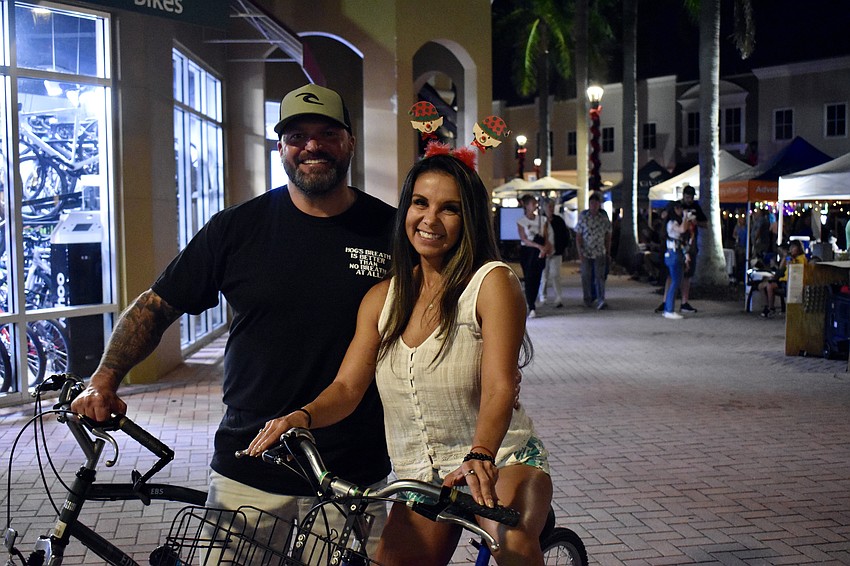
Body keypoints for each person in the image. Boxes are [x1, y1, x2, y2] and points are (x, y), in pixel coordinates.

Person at [70, 84, 395, 552]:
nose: (313, 146)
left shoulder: (388, 230)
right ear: (280, 147)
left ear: (350, 142)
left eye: (327, 132)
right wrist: (104, 379)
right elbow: (156, 305)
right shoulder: (237, 228)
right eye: (297, 135)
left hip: (349, 473)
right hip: (248, 467)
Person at [248, 150, 553, 566]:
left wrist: (480, 452)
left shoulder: (492, 283)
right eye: (420, 203)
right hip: (423, 480)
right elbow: (347, 387)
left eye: (450, 209)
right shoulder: (382, 299)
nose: (430, 219)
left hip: (498, 459)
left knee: (512, 543)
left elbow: (500, 384)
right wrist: (300, 417)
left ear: (471, 220)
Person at [574, 191, 612, 310]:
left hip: (600, 251)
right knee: (586, 276)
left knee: (599, 277)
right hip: (586, 252)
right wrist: (580, 252)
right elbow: (578, 236)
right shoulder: (584, 218)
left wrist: (608, 251)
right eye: (592, 204)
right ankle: (588, 299)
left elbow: (608, 236)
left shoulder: (604, 219)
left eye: (596, 204)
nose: (594, 206)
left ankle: (601, 299)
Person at [516, 194, 550, 318]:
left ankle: (532, 301)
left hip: (539, 250)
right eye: (532, 203)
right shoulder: (521, 221)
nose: (535, 205)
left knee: (537, 277)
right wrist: (538, 246)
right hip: (528, 251)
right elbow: (524, 239)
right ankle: (531, 305)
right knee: (529, 277)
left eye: (536, 203)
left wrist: (544, 247)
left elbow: (545, 236)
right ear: (526, 205)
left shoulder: (542, 220)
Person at [758, 240, 807, 318]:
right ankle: (767, 306)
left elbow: (796, 268)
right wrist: (785, 257)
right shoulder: (789, 258)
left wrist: (790, 260)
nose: (791, 249)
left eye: (793, 247)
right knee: (762, 285)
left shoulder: (801, 258)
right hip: (784, 279)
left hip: (791, 282)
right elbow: (781, 269)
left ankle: (771, 308)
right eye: (791, 247)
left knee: (770, 286)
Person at [661, 201, 692, 320]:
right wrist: (685, 217)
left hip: (676, 252)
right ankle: (669, 309)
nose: (681, 211)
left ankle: (669, 308)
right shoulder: (671, 223)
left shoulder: (671, 223)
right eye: (679, 209)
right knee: (675, 281)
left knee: (677, 280)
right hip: (673, 253)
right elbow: (682, 230)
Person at [679, 185, 707, 313]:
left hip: (692, 243)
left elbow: (705, 223)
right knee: (676, 272)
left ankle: (684, 301)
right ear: (683, 196)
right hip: (679, 242)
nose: (689, 200)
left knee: (689, 273)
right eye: (687, 197)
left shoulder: (696, 207)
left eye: (691, 197)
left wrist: (697, 223)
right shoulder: (678, 206)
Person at [538, 198, 569, 308]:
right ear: (544, 208)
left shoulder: (559, 221)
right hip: (543, 253)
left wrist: (561, 248)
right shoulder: (540, 220)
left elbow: (565, 236)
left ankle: (558, 297)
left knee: (555, 275)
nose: (550, 209)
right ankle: (543, 296)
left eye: (552, 206)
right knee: (543, 276)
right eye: (548, 206)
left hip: (556, 252)